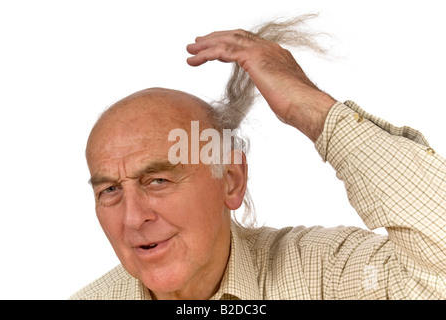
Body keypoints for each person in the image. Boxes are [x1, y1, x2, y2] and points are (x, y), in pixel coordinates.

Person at [70, 16, 446, 300]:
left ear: (230, 180)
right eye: (109, 190)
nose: (133, 218)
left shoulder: (325, 275)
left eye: (158, 180)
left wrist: (313, 110)